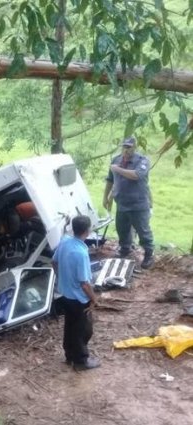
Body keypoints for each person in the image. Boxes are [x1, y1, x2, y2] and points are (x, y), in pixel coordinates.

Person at [52, 215, 100, 371]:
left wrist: (61, 278)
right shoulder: (81, 253)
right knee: (83, 330)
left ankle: (69, 355)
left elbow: (54, 261)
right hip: (79, 298)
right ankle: (81, 361)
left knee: (70, 326)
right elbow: (85, 283)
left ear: (73, 228)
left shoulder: (65, 242)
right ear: (87, 230)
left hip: (65, 294)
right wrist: (94, 299)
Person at [102, 136, 154, 269]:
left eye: (129, 147)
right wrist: (106, 196)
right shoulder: (116, 160)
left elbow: (136, 175)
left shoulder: (142, 161)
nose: (126, 150)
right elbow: (110, 180)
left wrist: (117, 169)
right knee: (122, 229)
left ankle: (148, 254)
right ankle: (125, 249)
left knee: (143, 231)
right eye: (124, 147)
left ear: (134, 147)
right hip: (122, 203)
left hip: (138, 204)